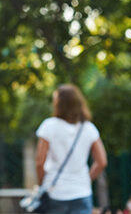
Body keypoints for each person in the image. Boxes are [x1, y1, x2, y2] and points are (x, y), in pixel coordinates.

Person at [35, 84, 108, 214]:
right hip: (81, 192)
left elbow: (40, 161)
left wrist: (42, 183)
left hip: (55, 191)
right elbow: (102, 162)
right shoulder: (89, 128)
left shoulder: (49, 126)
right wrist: (86, 179)